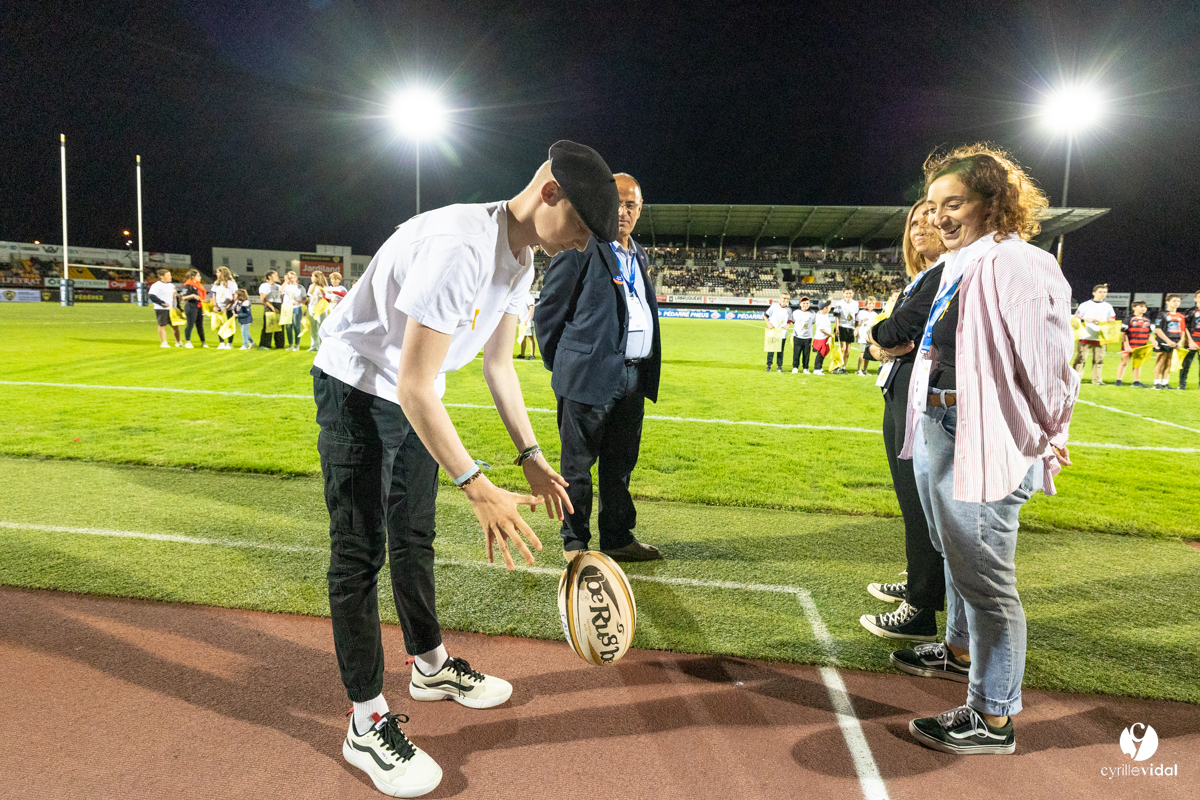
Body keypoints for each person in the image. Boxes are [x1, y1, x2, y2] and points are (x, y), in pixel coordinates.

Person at [310, 140, 614, 797]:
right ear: (549, 194)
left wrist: (531, 458)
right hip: (359, 389)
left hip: (411, 394)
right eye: (582, 228)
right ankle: (364, 722)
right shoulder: (460, 246)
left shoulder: (521, 258)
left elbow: (498, 364)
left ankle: (428, 666)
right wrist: (477, 485)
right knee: (359, 555)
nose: (582, 245)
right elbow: (416, 384)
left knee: (414, 538)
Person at [888, 145, 1078, 755]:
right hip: (943, 430)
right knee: (956, 557)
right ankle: (960, 652)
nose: (940, 217)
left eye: (956, 203)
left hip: (984, 439)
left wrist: (1050, 436)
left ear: (993, 204)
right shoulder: (958, 265)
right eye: (936, 205)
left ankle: (992, 716)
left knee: (989, 581)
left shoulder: (1017, 263)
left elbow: (1048, 365)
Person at [535, 171, 663, 563]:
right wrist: (567, 367)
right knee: (577, 466)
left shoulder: (638, 254)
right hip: (586, 379)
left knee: (620, 464)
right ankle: (575, 543)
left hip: (632, 376)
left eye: (631, 205)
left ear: (640, 211)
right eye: (616, 203)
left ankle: (617, 537)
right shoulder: (580, 246)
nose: (622, 212)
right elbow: (548, 314)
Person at [860, 199, 947, 644]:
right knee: (912, 500)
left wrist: (879, 336)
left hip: (921, 399)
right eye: (914, 221)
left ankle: (922, 606)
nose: (920, 226)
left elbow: (895, 331)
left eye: (929, 217)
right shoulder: (922, 277)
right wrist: (881, 340)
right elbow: (885, 339)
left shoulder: (945, 274)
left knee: (920, 502)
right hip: (900, 390)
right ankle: (919, 580)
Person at [1071, 284, 1116, 385]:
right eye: (1100, 292)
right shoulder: (1085, 305)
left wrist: (1109, 321)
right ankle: (1076, 379)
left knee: (1099, 360)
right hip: (1086, 335)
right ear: (1094, 293)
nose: (1102, 294)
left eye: (1104, 292)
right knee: (1081, 358)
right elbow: (1077, 317)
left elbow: (1112, 318)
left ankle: (1097, 380)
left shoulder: (1108, 306)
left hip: (1101, 336)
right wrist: (1087, 319)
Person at [1114, 300, 1153, 388]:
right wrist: (1127, 345)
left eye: (1145, 307)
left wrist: (1154, 341)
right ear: (1134, 308)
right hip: (1129, 346)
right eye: (1141, 307)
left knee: (1137, 364)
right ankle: (1119, 380)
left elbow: (1149, 333)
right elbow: (1123, 333)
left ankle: (1136, 382)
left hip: (1141, 346)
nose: (1143, 309)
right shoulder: (1129, 319)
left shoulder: (1147, 320)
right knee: (1124, 362)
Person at [1153, 294, 1186, 389]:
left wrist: (1180, 342)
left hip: (1174, 342)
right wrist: (1167, 341)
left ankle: (1165, 382)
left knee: (1169, 362)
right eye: (1174, 301)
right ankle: (1157, 383)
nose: (1176, 303)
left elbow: (1182, 330)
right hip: (1162, 342)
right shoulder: (1162, 314)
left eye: (1178, 301)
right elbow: (1158, 330)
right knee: (1160, 362)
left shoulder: (1181, 316)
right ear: (1167, 302)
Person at [148, 268, 180, 348]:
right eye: (168, 275)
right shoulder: (156, 285)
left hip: (172, 309)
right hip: (161, 309)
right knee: (162, 325)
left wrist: (178, 307)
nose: (170, 277)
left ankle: (178, 341)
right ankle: (164, 342)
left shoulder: (172, 285)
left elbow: (175, 297)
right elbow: (152, 296)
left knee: (175, 325)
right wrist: (162, 303)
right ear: (161, 277)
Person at [180, 269, 208, 349]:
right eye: (198, 276)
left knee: (200, 325)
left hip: (199, 306)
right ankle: (187, 341)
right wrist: (192, 296)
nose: (200, 277)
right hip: (191, 306)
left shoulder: (199, 285)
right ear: (193, 277)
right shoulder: (187, 285)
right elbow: (183, 297)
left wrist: (203, 299)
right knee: (190, 324)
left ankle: (203, 342)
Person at [212, 266, 238, 349]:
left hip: (229, 308)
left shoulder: (232, 284)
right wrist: (215, 306)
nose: (216, 274)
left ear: (223, 273)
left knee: (229, 325)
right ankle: (221, 343)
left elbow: (235, 297)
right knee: (220, 325)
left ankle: (230, 343)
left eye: (218, 272)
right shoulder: (217, 283)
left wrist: (227, 307)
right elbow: (213, 294)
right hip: (219, 308)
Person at [258, 269, 285, 349]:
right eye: (275, 275)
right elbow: (263, 299)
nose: (277, 277)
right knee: (268, 326)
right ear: (269, 277)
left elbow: (282, 297)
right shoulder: (264, 286)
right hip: (270, 306)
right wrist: (272, 307)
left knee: (279, 327)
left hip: (278, 305)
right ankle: (265, 344)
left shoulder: (278, 287)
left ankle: (279, 345)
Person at [832, 287, 858, 373]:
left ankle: (843, 367)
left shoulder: (855, 303)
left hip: (851, 328)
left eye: (850, 293)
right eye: (846, 293)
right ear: (843, 294)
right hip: (842, 326)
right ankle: (837, 366)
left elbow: (856, 317)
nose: (848, 295)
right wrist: (837, 328)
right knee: (842, 348)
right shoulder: (839, 303)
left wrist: (855, 329)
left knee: (847, 350)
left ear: (853, 294)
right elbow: (836, 316)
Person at [764, 293, 791, 372]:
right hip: (773, 331)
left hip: (782, 333)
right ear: (780, 298)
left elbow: (789, 320)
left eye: (787, 299)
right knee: (771, 349)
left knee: (780, 351)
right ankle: (769, 366)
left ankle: (779, 367)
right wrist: (768, 324)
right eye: (784, 298)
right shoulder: (774, 306)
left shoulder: (789, 309)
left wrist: (788, 324)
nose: (785, 300)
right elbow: (765, 315)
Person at [281, 271, 306, 352]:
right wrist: (285, 281)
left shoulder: (300, 287)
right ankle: (290, 344)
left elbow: (305, 299)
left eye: (293, 277)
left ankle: (297, 344)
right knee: (288, 327)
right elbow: (281, 290)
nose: (291, 279)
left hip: (296, 308)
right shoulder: (286, 286)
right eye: (290, 278)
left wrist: (298, 302)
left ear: (296, 277)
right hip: (287, 308)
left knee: (297, 326)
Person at [1179, 290, 1200, 390]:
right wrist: (1190, 341)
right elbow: (1185, 327)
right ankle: (1182, 384)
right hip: (1191, 342)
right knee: (1186, 364)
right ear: (1195, 298)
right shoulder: (1190, 311)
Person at [791, 295, 815, 373]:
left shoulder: (812, 313)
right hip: (797, 336)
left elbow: (813, 322)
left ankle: (805, 368)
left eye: (807, 303)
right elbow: (793, 321)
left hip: (808, 337)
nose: (805, 305)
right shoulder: (795, 313)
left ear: (809, 304)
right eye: (804, 303)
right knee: (796, 353)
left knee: (806, 354)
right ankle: (795, 367)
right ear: (800, 304)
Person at [307, 271, 330, 353]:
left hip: (321, 309)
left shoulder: (325, 287)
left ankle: (322, 346)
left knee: (321, 328)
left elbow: (327, 299)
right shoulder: (311, 286)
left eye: (313, 276)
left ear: (317, 278)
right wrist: (307, 309)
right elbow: (310, 299)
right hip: (312, 308)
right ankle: (314, 346)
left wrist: (321, 294)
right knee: (313, 328)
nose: (311, 278)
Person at [854, 296, 877, 375]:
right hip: (862, 337)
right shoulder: (861, 313)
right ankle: (858, 369)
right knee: (862, 354)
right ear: (866, 304)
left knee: (867, 355)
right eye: (870, 304)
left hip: (870, 338)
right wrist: (862, 321)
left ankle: (865, 370)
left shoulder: (875, 314)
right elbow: (857, 323)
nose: (871, 305)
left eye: (873, 304)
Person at [812, 300, 834, 375]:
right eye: (827, 307)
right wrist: (830, 334)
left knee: (823, 353)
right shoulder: (821, 317)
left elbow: (829, 307)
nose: (829, 308)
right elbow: (822, 330)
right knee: (821, 354)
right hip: (821, 338)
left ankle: (819, 367)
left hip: (823, 338)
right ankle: (816, 368)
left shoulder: (822, 313)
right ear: (824, 308)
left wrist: (830, 301)